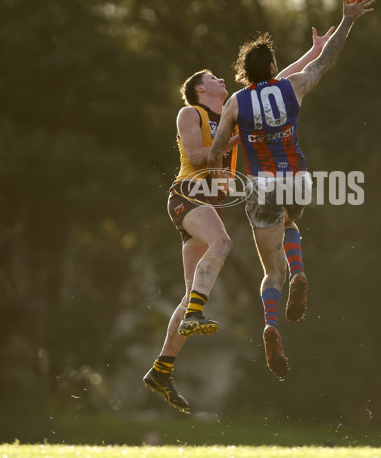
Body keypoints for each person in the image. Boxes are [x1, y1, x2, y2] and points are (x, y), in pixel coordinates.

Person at [143, 26, 336, 412]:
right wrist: (231, 141)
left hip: (206, 204)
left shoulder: (232, 107)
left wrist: (314, 53)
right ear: (201, 90)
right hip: (188, 195)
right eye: (212, 77)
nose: (220, 78)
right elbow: (198, 156)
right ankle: (198, 311)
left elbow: (276, 81)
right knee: (224, 243)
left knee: (193, 286)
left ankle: (162, 368)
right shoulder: (192, 112)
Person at [208, 0, 375, 380]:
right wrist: (348, 18)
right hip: (296, 181)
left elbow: (217, 149)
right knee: (291, 224)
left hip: (260, 187)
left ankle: (271, 325)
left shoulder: (236, 102)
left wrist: (219, 181)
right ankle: (300, 271)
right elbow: (325, 60)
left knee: (271, 273)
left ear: (245, 71)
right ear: (273, 67)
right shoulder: (292, 86)